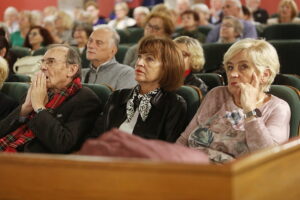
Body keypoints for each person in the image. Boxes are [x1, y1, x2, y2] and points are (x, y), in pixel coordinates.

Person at [176, 38, 291, 163]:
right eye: (230, 67)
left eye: (243, 67)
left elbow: (269, 159)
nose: (233, 74)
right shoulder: (217, 94)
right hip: (192, 168)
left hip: (236, 177)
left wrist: (250, 110)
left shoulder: (278, 108)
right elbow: (184, 140)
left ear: (265, 75)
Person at [0, 44, 101, 153]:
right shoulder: (37, 90)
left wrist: (39, 108)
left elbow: (63, 144)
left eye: (51, 62)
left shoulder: (85, 100)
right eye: (42, 62)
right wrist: (25, 109)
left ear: (71, 70)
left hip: (33, 163)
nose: (43, 67)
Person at [90, 36, 187, 143]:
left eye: (149, 59)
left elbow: (168, 151)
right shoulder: (117, 96)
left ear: (167, 67)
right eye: (139, 57)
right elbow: (96, 137)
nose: (139, 63)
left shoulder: (173, 104)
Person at [83, 25, 136, 90]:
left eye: (99, 43)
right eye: (90, 41)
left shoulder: (126, 74)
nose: (90, 46)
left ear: (113, 51)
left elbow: (122, 100)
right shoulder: (79, 74)